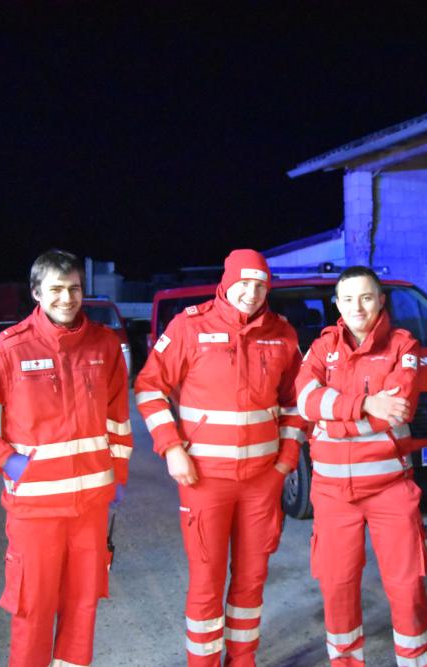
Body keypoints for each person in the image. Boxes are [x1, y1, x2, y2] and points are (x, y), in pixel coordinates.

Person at [0, 249, 133, 667]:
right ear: (37, 293)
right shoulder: (11, 348)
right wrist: (3, 458)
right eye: (57, 289)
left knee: (83, 605)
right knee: (33, 608)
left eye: (74, 288)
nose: (67, 298)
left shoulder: (104, 345)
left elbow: (118, 419)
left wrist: (117, 476)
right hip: (35, 509)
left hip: (91, 508)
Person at [134, 249, 303, 666]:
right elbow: (149, 388)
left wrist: (285, 461)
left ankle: (243, 659)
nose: (251, 293)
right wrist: (172, 448)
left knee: (252, 578)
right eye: (244, 283)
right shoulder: (189, 326)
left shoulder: (282, 333)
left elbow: (295, 403)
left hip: (262, 480)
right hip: (204, 480)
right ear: (226, 284)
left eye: (260, 285)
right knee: (206, 581)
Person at [295, 266, 427, 667]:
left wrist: (333, 418)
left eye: (366, 297)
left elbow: (396, 409)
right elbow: (304, 401)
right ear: (337, 305)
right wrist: (365, 404)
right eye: (348, 299)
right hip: (332, 494)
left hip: (390, 488)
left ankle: (417, 662)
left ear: (381, 301)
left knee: (406, 587)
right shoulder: (322, 347)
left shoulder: (403, 346)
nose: (357, 307)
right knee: (337, 587)